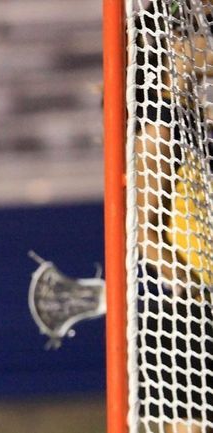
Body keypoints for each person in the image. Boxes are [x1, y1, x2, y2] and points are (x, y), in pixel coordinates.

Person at [132, 2, 213, 432]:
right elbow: (147, 233)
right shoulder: (160, 126)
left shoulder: (197, 122)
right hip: (184, 318)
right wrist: (191, 293)